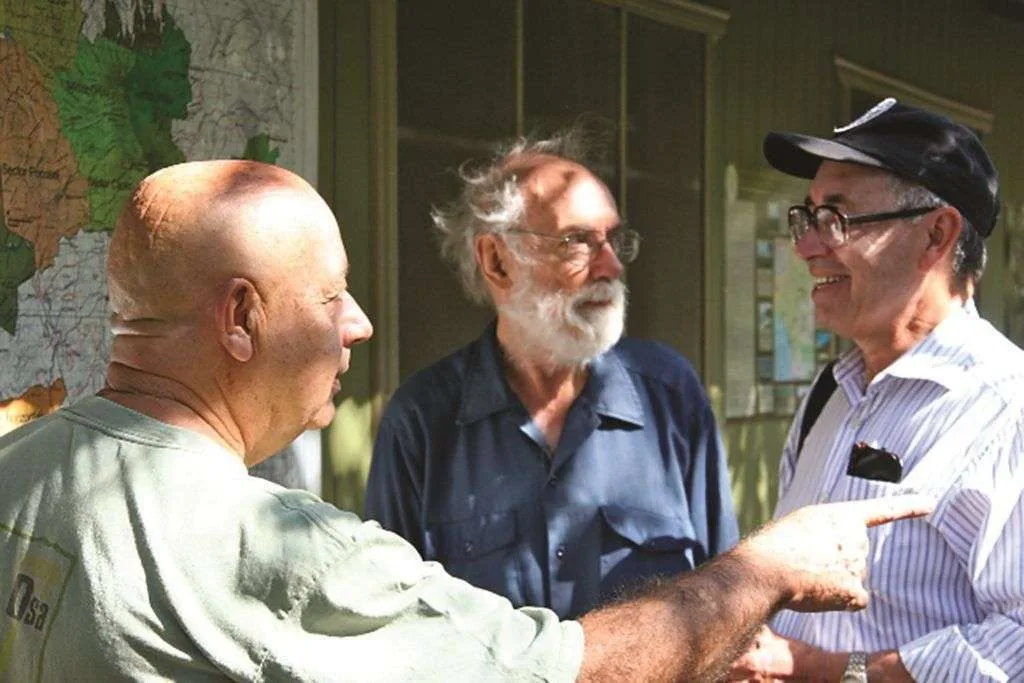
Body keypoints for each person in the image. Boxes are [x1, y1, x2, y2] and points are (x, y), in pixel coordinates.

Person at [0, 159, 930, 682]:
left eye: (617, 240)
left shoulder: (20, 471)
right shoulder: (300, 538)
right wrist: (768, 566)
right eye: (331, 297)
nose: (358, 322)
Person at [364, 131, 738, 619]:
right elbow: (389, 626)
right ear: (496, 260)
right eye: (577, 241)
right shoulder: (423, 420)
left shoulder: (671, 396)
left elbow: (725, 601)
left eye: (612, 239)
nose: (612, 265)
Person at [729, 99, 1024, 682]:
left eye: (836, 220)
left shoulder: (1006, 408)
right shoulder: (830, 392)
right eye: (806, 217)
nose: (806, 247)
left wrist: (823, 670)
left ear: (936, 235)